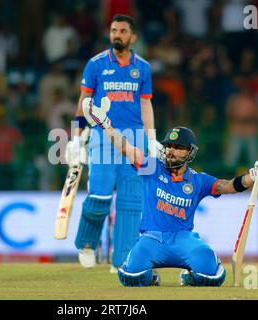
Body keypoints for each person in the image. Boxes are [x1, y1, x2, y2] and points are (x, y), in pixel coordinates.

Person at [81, 96, 258, 287]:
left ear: (189, 152)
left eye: (178, 147)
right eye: (169, 146)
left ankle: (189, 276)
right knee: (131, 276)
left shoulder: (199, 180)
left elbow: (230, 186)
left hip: (183, 239)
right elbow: (126, 148)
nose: (171, 150)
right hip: (152, 239)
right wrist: (105, 124)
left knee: (212, 276)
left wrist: (254, 174)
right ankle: (151, 277)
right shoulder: (151, 167)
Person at [65, 14, 159, 272]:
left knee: (131, 202)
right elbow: (84, 102)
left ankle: (124, 260)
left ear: (133, 36)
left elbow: (145, 102)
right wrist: (76, 137)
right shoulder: (95, 64)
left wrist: (151, 138)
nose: (117, 35)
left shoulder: (144, 67)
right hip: (103, 136)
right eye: (113, 30)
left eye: (122, 31)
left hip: (135, 137)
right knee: (100, 196)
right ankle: (86, 244)